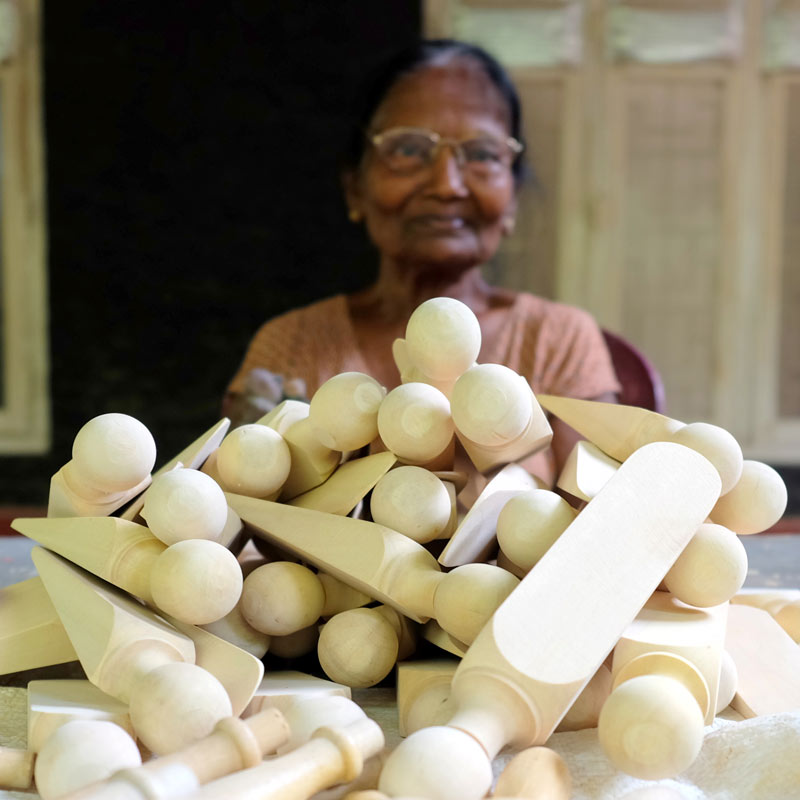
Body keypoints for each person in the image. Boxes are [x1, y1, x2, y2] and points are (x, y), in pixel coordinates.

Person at [223, 39, 619, 488]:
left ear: (512, 198)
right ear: (355, 188)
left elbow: (609, 520)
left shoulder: (558, 339)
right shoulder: (289, 347)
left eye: (483, 154)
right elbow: (234, 528)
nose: (447, 184)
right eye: (409, 149)